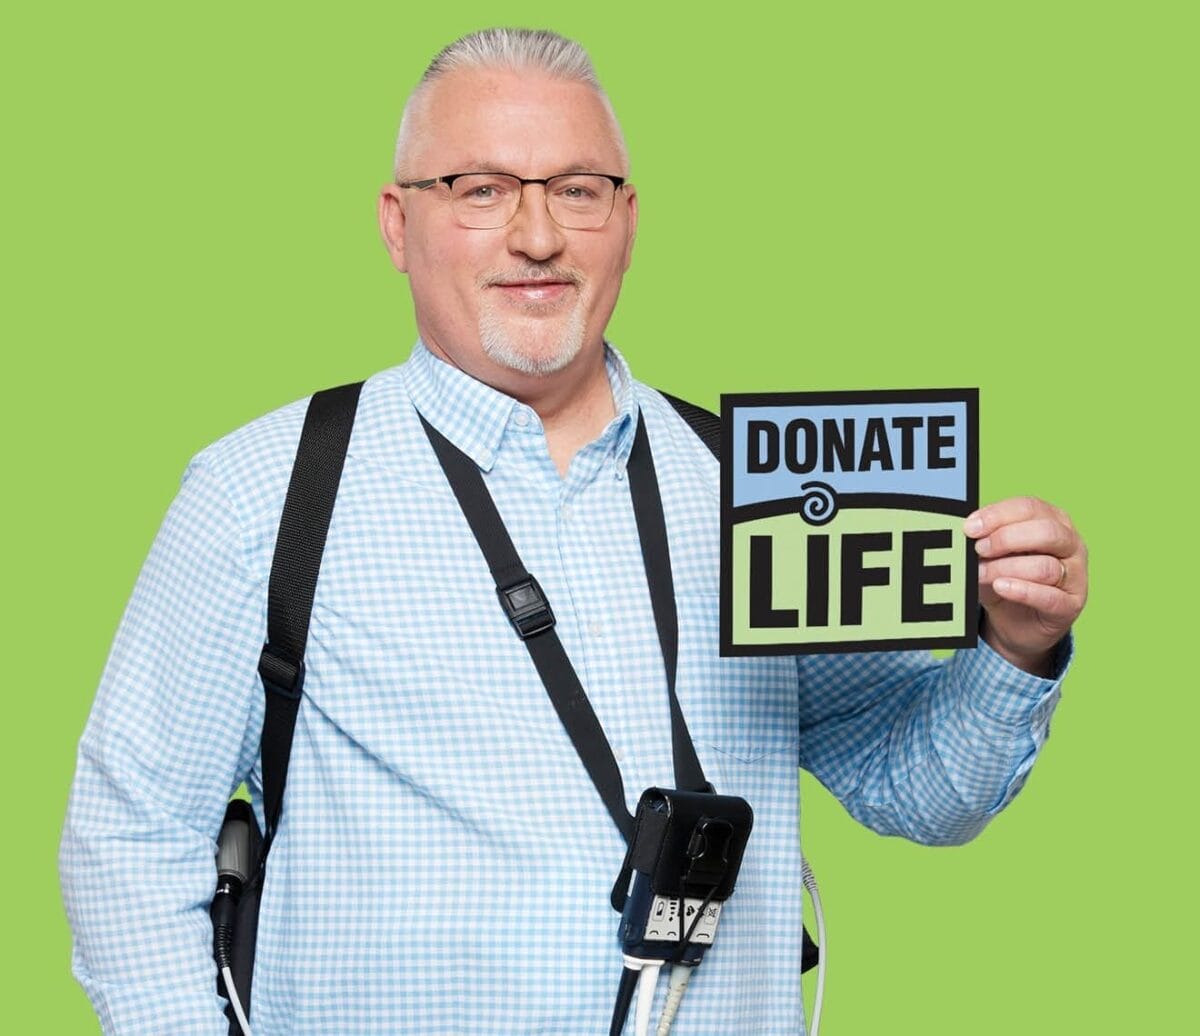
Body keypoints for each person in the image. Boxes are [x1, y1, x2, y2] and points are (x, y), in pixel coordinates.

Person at [59, 27, 1089, 1035]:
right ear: (395, 223)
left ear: (628, 222)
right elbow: (127, 839)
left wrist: (1013, 644)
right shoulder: (262, 492)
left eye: (577, 190)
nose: (538, 235)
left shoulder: (763, 492)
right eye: (481, 189)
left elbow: (922, 790)